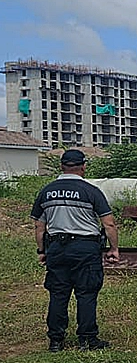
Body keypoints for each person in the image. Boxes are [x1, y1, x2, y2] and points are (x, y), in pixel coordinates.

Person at [30, 149, 120, 352]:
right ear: (83, 166)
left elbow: (39, 226)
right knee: (86, 293)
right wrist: (113, 249)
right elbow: (109, 224)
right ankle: (87, 339)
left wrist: (41, 251)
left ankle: (56, 341)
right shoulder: (91, 191)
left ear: (61, 166)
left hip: (56, 248)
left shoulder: (47, 191)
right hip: (85, 248)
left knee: (58, 294)